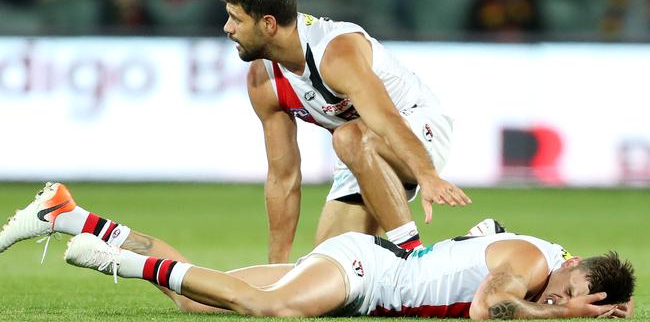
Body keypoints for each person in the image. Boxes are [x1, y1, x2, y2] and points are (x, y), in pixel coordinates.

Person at [0, 183, 635, 318]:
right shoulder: (532, 266)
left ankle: (70, 215)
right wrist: (560, 313)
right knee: (273, 310)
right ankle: (122, 260)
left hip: (372, 267)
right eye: (572, 293)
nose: (560, 301)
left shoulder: (540, 255)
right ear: (572, 268)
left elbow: (475, 246)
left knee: (195, 298)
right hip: (364, 272)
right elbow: (484, 312)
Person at [220, 0, 471, 262]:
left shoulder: (335, 52)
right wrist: (278, 267)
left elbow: (387, 121)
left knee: (348, 136)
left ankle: (416, 258)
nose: (228, 28)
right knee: (328, 269)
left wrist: (427, 175)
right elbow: (283, 178)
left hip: (418, 129)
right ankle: (470, 243)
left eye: (236, 19)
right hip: (360, 153)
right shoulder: (262, 81)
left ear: (268, 24)